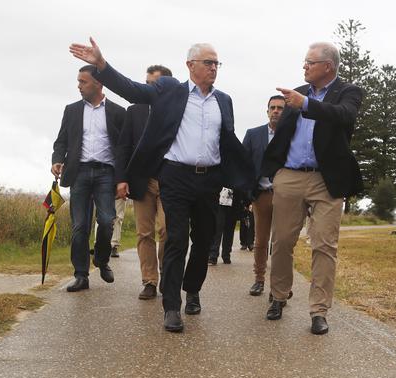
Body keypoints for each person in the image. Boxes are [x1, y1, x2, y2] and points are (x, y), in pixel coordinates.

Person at [69, 38, 254, 332]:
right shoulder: (169, 90)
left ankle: (192, 289)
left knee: (205, 239)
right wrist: (101, 66)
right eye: (208, 63)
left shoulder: (224, 100)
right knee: (176, 238)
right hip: (176, 176)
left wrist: (242, 178)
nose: (213, 68)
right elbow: (132, 89)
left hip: (210, 179)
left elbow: (227, 141)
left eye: (216, 63)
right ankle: (171, 306)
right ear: (190, 65)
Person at [261, 42, 363, 335]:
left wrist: (304, 104)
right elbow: (281, 135)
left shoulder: (348, 92)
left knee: (324, 245)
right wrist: (275, 172)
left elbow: (344, 115)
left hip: (326, 180)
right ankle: (278, 297)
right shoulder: (298, 93)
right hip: (290, 176)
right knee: (281, 241)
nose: (304, 67)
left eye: (309, 62)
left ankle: (319, 311)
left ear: (327, 66)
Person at [51, 65, 126, 292]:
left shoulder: (117, 112)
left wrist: (123, 179)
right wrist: (56, 159)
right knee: (79, 227)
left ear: (98, 83)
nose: (79, 86)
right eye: (78, 81)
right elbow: (61, 141)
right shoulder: (71, 110)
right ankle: (81, 275)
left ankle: (101, 260)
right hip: (79, 173)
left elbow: (124, 148)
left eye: (83, 82)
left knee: (106, 221)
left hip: (106, 174)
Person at [117, 65, 172, 299]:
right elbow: (124, 146)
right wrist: (121, 179)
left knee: (167, 231)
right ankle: (149, 280)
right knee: (144, 233)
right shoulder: (134, 111)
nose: (147, 87)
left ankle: (167, 277)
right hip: (141, 181)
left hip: (169, 181)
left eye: (153, 84)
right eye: (146, 82)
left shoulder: (176, 111)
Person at [244, 95, 286, 296]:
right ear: (267, 111)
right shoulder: (253, 134)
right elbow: (243, 163)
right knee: (260, 240)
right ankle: (259, 279)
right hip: (261, 195)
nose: (276, 111)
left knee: (282, 242)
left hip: (286, 196)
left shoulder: (292, 134)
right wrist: (246, 194)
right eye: (273, 107)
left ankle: (281, 285)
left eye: (280, 108)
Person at [208, 187, 237, 265]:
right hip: (219, 201)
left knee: (229, 230)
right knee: (217, 228)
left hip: (233, 202)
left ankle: (226, 255)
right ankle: (213, 255)